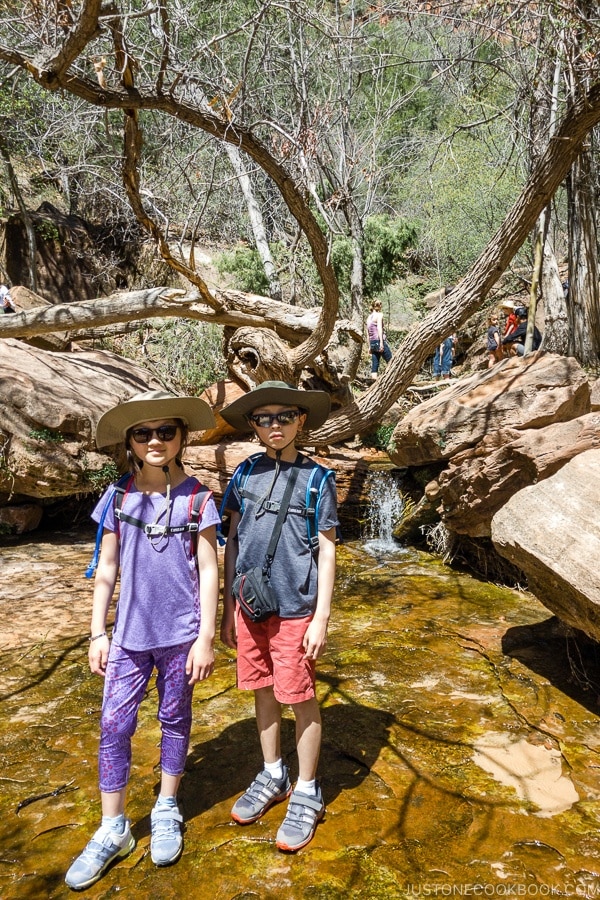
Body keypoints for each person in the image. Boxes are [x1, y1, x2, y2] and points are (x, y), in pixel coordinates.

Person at [65, 390, 220, 891]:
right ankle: (113, 828)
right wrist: (97, 631)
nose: (155, 441)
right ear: (130, 442)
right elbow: (106, 569)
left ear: (181, 437)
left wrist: (207, 638)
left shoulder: (199, 499)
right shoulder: (118, 497)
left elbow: (210, 572)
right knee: (114, 724)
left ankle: (167, 805)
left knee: (174, 718)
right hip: (129, 636)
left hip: (180, 636)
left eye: (165, 431)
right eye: (143, 433)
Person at [219, 381, 338, 853]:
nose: (274, 426)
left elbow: (327, 551)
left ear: (301, 421)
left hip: (296, 608)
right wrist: (228, 605)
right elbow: (231, 541)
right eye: (264, 419)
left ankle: (307, 789)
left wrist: (320, 618)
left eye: (284, 416)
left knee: (299, 695)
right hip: (250, 606)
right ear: (253, 426)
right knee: (262, 690)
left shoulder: (318, 480)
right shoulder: (243, 475)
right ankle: (273, 773)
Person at [366, 299, 392, 379]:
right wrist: (381, 343)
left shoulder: (369, 317)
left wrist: (369, 346)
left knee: (375, 363)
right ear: (379, 306)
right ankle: (389, 379)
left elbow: (368, 333)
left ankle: (374, 382)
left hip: (372, 342)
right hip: (378, 340)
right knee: (391, 361)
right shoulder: (379, 315)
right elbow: (379, 328)